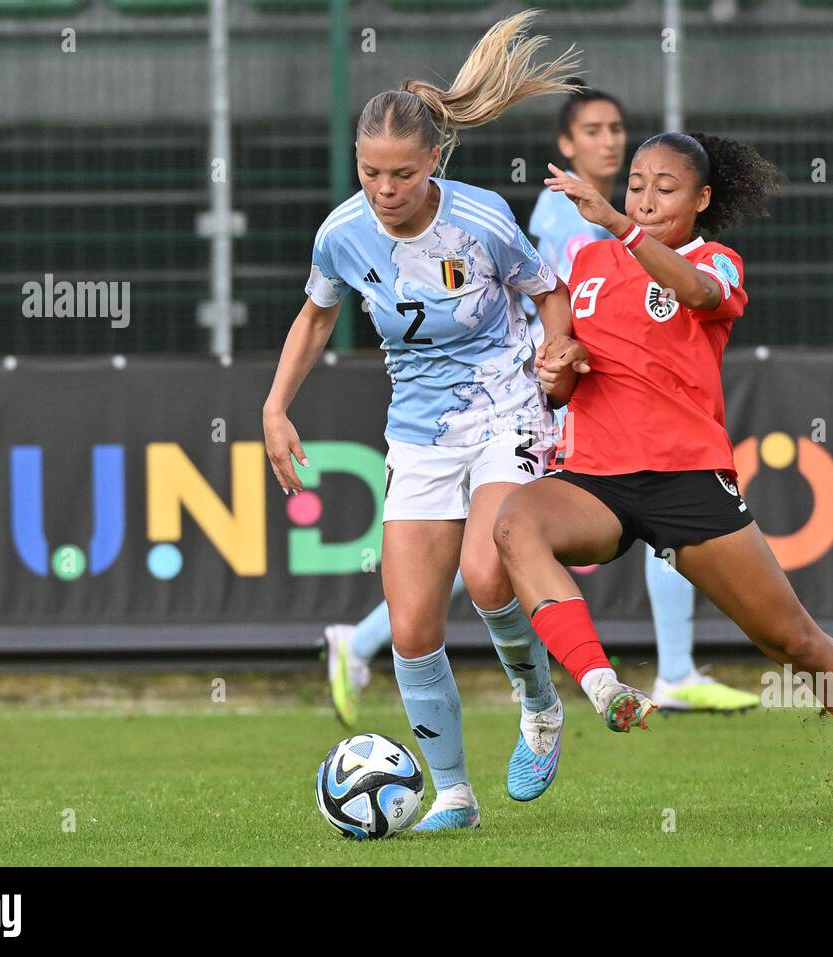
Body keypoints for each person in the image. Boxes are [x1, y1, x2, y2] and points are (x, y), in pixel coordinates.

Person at [491, 132, 833, 825]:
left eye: (666, 188)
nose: (645, 197)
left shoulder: (714, 260)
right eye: (636, 183)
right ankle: (599, 686)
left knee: (795, 641)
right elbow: (570, 380)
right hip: (596, 478)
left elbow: (693, 291)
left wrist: (619, 222)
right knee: (515, 522)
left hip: (689, 482)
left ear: (701, 200)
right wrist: (560, 365)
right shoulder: (586, 262)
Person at [324, 86, 760, 727]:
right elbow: (565, 301)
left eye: (615, 127)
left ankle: (671, 669)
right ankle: (375, 643)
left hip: (577, 379)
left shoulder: (622, 214)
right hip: (548, 384)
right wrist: (561, 364)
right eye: (591, 130)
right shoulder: (567, 218)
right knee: (492, 548)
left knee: (505, 544)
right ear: (566, 146)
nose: (607, 140)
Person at [265, 11, 581, 831]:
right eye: (370, 172)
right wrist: (273, 407)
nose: (384, 189)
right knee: (410, 629)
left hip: (506, 406)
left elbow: (546, 288)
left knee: (487, 572)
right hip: (418, 432)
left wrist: (557, 352)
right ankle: (455, 796)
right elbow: (315, 319)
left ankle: (540, 706)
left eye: (401, 173)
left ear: (434, 160)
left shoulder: (478, 221)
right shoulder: (341, 233)